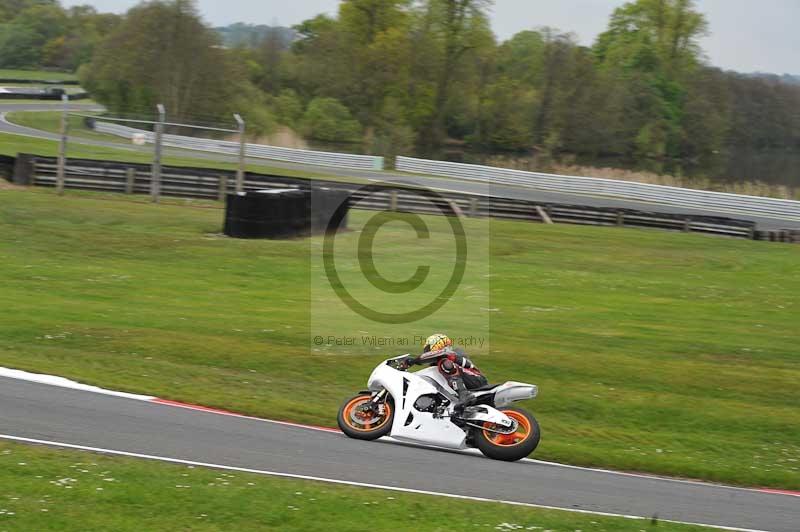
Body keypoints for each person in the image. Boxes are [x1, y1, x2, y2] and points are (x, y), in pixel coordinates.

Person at [405, 333, 488, 412]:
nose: (426, 352)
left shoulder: (450, 354)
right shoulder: (444, 361)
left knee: (444, 363)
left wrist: (412, 361)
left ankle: (464, 394)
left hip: (476, 379)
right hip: (468, 381)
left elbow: (434, 356)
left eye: (428, 349)